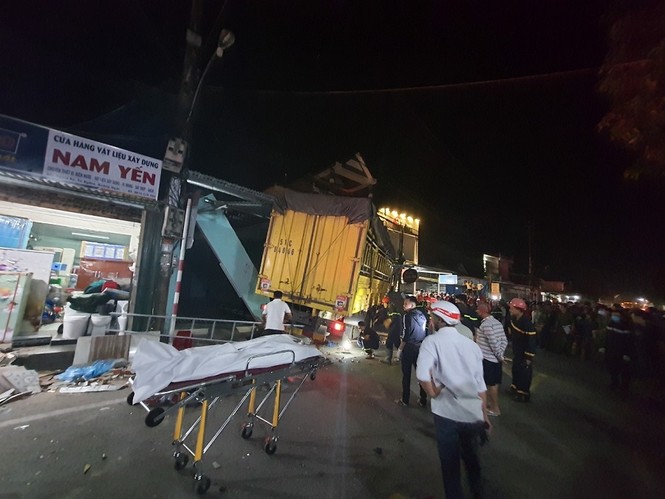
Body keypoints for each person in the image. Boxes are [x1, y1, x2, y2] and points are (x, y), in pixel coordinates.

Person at [416, 300, 490, 499]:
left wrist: (433, 393)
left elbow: (422, 375)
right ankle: (478, 493)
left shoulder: (431, 342)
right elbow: (480, 384)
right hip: (473, 414)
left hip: (446, 414)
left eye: (432, 318)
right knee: (472, 460)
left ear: (438, 320)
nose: (430, 321)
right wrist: (484, 414)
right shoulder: (471, 346)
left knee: (450, 467)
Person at [395, 295, 428, 407]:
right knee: (421, 374)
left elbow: (406, 334)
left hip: (409, 348)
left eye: (406, 304)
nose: (403, 306)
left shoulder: (407, 316)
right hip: (420, 347)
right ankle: (423, 400)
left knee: (406, 375)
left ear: (412, 305)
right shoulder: (422, 315)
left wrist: (400, 349)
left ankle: (405, 400)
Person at [476, 302, 508, 416]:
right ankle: (490, 404)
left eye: (478, 310)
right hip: (495, 359)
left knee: (490, 385)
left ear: (482, 311)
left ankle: (495, 409)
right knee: (493, 384)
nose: (477, 312)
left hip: (488, 359)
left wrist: (499, 355)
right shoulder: (497, 323)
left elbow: (492, 341)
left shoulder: (486, 325)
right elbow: (504, 340)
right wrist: (500, 355)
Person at [507, 298, 537, 402]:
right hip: (517, 352)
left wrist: (529, 356)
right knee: (516, 370)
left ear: (519, 309)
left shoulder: (526, 323)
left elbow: (531, 341)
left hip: (524, 353)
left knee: (525, 373)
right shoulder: (514, 320)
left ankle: (523, 393)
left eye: (511, 308)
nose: (510, 310)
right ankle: (515, 387)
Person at [605, 306, 634, 391]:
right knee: (613, 368)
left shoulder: (626, 325)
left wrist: (627, 353)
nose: (614, 317)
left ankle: (624, 387)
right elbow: (608, 337)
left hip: (621, 351)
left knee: (624, 370)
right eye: (613, 315)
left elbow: (628, 341)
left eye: (616, 315)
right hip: (612, 350)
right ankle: (614, 383)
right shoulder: (611, 323)